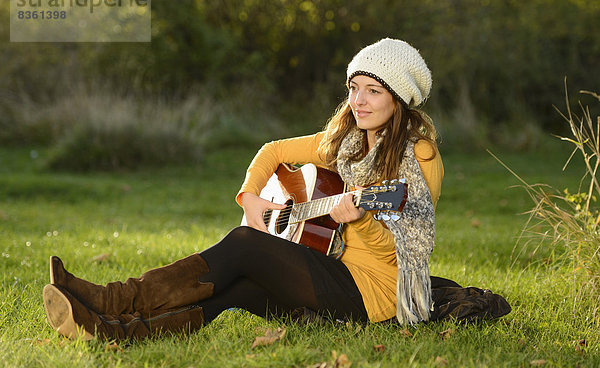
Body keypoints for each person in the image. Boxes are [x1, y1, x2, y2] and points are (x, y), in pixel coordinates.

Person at [42, 38, 510, 341]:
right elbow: (272, 150)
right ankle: (115, 331)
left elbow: (404, 245)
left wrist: (362, 220)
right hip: (333, 269)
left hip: (376, 295)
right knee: (240, 289)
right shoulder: (346, 143)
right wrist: (250, 197)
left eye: (373, 91)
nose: (359, 101)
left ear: (399, 99)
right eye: (354, 87)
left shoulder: (418, 155)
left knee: (246, 246)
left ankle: (110, 299)